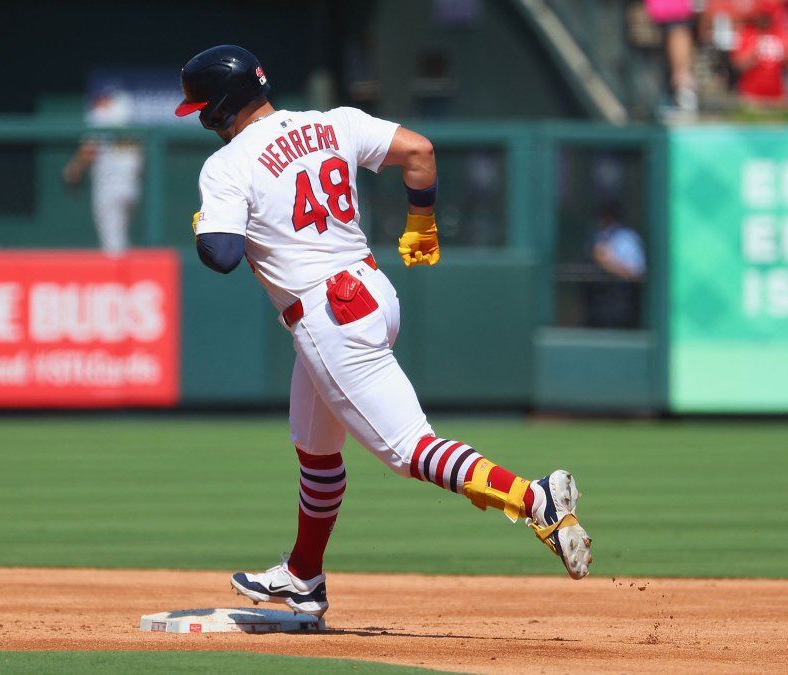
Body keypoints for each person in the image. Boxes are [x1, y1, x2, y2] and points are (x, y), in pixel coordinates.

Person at [178, 45, 591, 618]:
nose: (200, 117)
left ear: (221, 105)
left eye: (201, 106)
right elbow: (419, 151)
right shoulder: (333, 123)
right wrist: (421, 224)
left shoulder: (227, 166)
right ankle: (303, 576)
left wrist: (204, 222)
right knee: (316, 448)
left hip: (328, 314)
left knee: (407, 448)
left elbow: (219, 256)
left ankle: (533, 498)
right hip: (370, 290)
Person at [63, 88, 143, 255]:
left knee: (112, 244)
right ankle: (130, 276)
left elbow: (89, 150)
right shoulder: (127, 114)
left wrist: (74, 168)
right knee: (121, 238)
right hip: (131, 185)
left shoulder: (100, 116)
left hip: (109, 184)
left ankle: (119, 279)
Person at [587, 204, 646, 329]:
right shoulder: (598, 236)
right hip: (596, 300)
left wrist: (607, 263)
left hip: (621, 299)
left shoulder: (626, 238)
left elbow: (636, 273)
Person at [731, 0, 788, 106]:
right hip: (751, 96)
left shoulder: (782, 34)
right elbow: (737, 65)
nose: (764, 18)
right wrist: (753, 54)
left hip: (777, 97)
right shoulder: (747, 33)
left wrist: (785, 56)